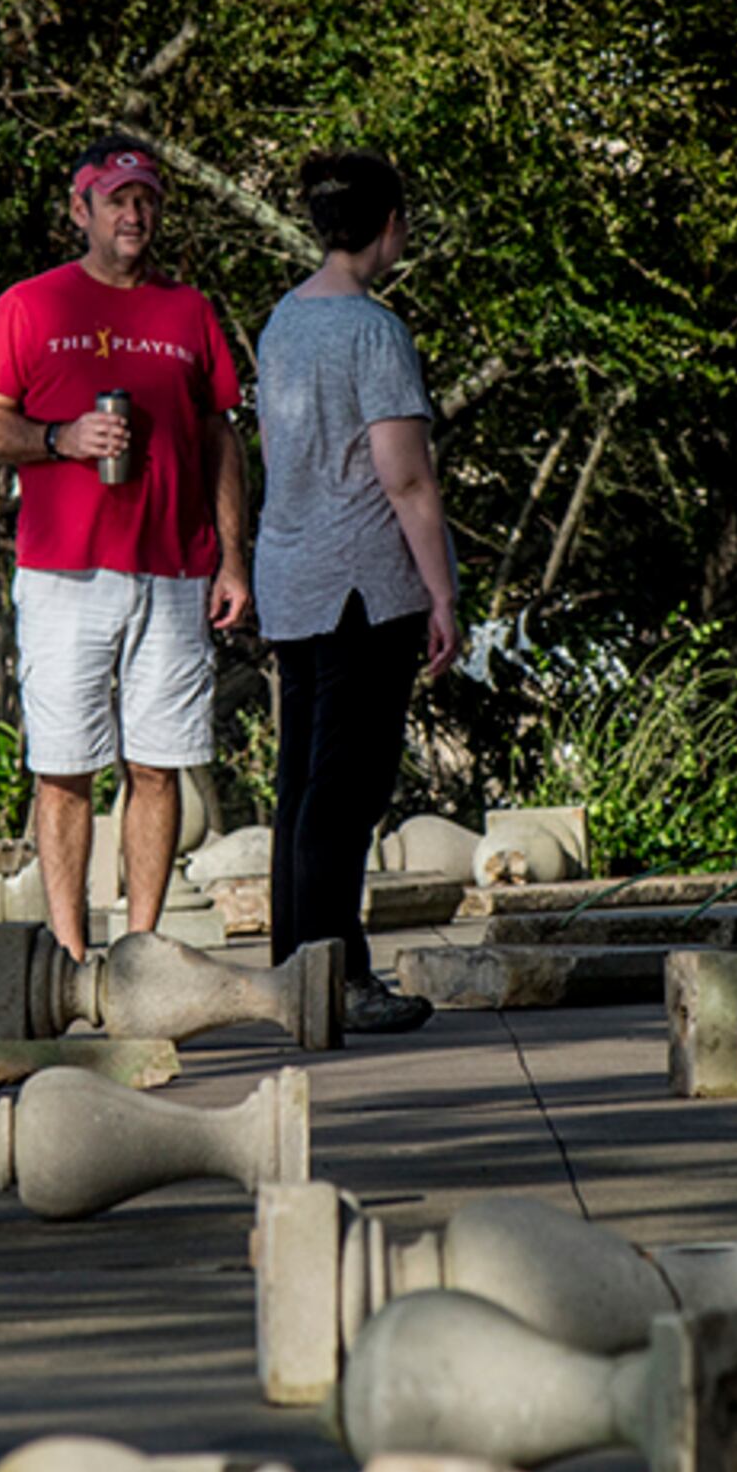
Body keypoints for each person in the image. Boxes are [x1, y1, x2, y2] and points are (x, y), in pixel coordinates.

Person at [0, 140, 251, 958]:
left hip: (173, 569)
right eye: (117, 199)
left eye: (147, 200)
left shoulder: (187, 309)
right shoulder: (30, 305)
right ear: (79, 208)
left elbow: (220, 434)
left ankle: (140, 953)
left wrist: (233, 557)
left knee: (158, 765)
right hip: (64, 573)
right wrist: (61, 436)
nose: (134, 214)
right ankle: (68, 952)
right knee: (64, 769)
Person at [251, 150, 459, 1034]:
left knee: (301, 779)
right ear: (387, 225)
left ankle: (297, 968)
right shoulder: (375, 332)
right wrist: (442, 592)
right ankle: (337, 974)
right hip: (362, 587)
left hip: (291, 575)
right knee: (346, 786)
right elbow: (406, 480)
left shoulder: (283, 320)